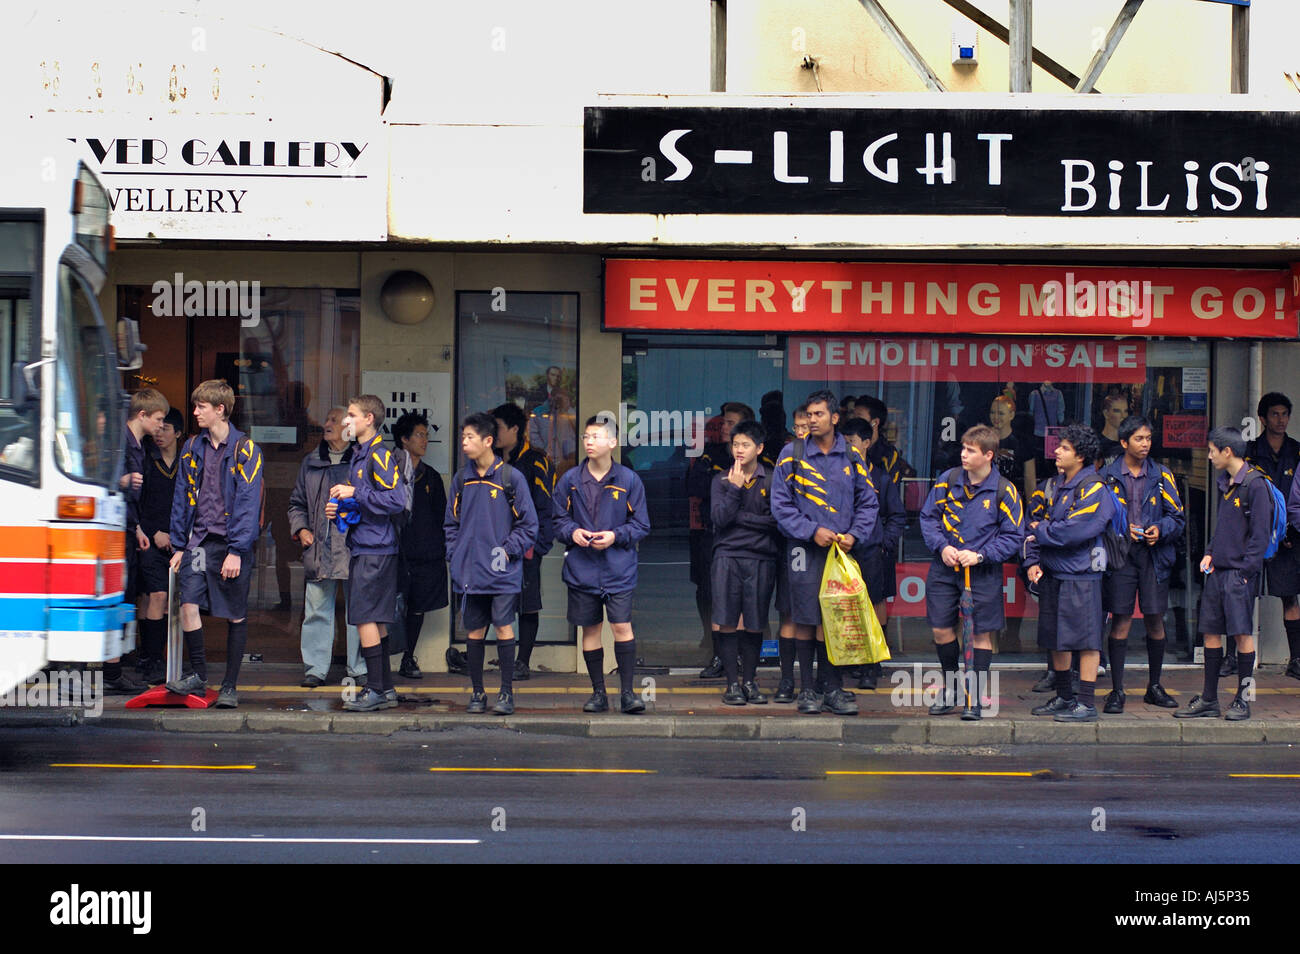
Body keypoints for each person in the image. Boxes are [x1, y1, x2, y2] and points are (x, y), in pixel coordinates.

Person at [770, 390, 878, 716]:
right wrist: (809, 530)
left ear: (834, 418)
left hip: (841, 551)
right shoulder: (792, 453)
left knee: (835, 618)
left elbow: (868, 503)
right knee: (804, 616)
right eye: (809, 414)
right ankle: (807, 690)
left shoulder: (853, 457)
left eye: (819, 414)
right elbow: (780, 504)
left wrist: (855, 535)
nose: (813, 420)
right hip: (804, 547)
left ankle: (831, 687)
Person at [165, 380, 263, 709]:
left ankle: (230, 687)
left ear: (220, 409)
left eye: (201, 407)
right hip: (199, 541)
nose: (195, 412)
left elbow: (249, 504)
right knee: (188, 604)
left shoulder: (245, 449)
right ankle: (199, 675)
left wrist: (237, 550)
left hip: (230, 544)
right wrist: (180, 544)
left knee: (235, 614)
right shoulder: (193, 446)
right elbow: (181, 497)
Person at [919, 425, 1024, 720]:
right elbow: (929, 518)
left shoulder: (1005, 490)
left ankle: (973, 696)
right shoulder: (947, 480)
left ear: (988, 455)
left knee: (980, 634)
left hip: (982, 572)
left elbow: (1014, 536)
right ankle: (952, 688)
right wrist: (941, 547)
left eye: (971, 450)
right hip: (945, 567)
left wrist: (980, 555)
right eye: (963, 449)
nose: (963, 455)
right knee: (941, 629)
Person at [552, 415, 650, 714]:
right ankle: (598, 693)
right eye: (586, 436)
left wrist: (615, 536)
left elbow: (642, 525)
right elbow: (556, 521)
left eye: (595, 436)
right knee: (590, 630)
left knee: (622, 626)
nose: (589, 441)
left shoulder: (629, 480)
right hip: (582, 568)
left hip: (618, 567)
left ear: (613, 442)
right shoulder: (570, 480)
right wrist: (573, 532)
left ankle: (629, 693)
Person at [1176, 427, 1273, 721]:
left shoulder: (1255, 485)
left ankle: (1243, 700)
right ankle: (1209, 699)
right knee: (1210, 633)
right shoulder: (1226, 483)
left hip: (1238, 574)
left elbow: (1260, 537)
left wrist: (1245, 573)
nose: (1208, 456)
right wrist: (1209, 551)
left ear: (1227, 451)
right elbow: (1224, 528)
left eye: (1211, 451)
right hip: (1218, 572)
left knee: (1243, 634)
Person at [444, 413, 538, 715]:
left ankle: (507, 694)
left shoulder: (511, 478)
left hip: (502, 571)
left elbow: (529, 525)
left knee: (503, 628)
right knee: (473, 632)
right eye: (463, 437)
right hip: (470, 571)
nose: (464, 442)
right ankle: (477, 693)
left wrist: (507, 551)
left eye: (470, 437)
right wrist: (455, 554)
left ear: (488, 441)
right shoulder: (462, 479)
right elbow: (451, 524)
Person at [1023, 425, 1115, 723]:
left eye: (1063, 447)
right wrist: (1033, 559)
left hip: (1082, 575)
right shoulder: (1055, 485)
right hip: (1053, 573)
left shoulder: (1094, 487)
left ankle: (1086, 703)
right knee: (1056, 638)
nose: (1057, 452)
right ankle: (1064, 696)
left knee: (1087, 640)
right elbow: (1031, 525)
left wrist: (1043, 532)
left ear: (1080, 455)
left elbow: (1075, 532)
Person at [325, 395, 407, 712]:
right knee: (377, 620)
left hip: (374, 548)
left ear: (369, 419)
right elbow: (370, 502)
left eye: (351, 415)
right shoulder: (361, 453)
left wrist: (354, 492)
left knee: (364, 618)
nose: (346, 421)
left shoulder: (379, 454)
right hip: (369, 544)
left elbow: (396, 500)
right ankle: (384, 689)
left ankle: (373, 690)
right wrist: (343, 507)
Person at [1099, 415, 1185, 712]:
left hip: (1154, 555)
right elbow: (1097, 519)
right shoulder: (1108, 476)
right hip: (1121, 555)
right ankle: (1117, 690)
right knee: (1120, 618)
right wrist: (1121, 532)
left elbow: (1177, 518)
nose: (1145, 444)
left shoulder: (1162, 475)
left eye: (1148, 438)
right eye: (1139, 439)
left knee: (1154, 618)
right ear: (1124, 442)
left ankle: (1155, 686)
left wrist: (1160, 530)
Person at [288, 406, 365, 688]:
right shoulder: (311, 462)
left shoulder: (362, 461)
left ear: (349, 427)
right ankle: (315, 668)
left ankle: (359, 668)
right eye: (327, 418)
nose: (326, 423)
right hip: (319, 548)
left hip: (354, 548)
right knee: (317, 610)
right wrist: (302, 529)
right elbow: (296, 504)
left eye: (334, 420)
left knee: (358, 612)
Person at [710, 420, 779, 705]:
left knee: (754, 622)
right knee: (726, 621)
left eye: (745, 445)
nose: (738, 450)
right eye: (735, 444)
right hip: (727, 556)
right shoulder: (721, 480)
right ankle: (732, 685)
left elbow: (777, 522)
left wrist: (741, 518)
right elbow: (719, 520)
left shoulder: (773, 479)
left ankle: (749, 681)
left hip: (761, 557)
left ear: (759, 448)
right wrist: (735, 490)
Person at [840, 417, 906, 690]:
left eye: (852, 442)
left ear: (867, 443)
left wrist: (884, 543)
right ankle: (848, 661)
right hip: (842, 552)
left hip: (872, 552)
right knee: (843, 609)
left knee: (874, 605)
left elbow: (897, 516)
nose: (848, 448)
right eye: (843, 443)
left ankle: (871, 663)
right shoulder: (837, 475)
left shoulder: (881, 477)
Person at [692, 401, 755, 678]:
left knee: (747, 602)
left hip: (751, 542)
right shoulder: (712, 453)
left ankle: (744, 661)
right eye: (725, 423)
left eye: (730, 423)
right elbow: (693, 484)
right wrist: (726, 484)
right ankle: (718, 654)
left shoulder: (761, 462)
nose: (724, 427)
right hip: (713, 534)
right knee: (714, 596)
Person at [492, 403, 554, 680]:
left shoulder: (536, 461)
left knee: (527, 602)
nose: (493, 433)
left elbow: (546, 508)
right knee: (492, 599)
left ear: (514, 429)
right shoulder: (488, 459)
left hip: (526, 544)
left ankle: (523, 661)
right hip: (493, 543)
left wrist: (537, 546)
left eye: (498, 428)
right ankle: (497, 653)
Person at [113, 389, 169, 693]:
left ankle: (117, 665)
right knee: (120, 595)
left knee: (127, 595)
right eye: (158, 419)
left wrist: (136, 529)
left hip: (127, 528)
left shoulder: (138, 446)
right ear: (143, 415)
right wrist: (121, 481)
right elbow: (96, 477)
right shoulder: (120, 442)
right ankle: (113, 667)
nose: (161, 425)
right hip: (115, 530)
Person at [391, 411, 450, 679]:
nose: (425, 440)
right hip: (393, 552)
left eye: (427, 435)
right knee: (388, 607)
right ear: (404, 439)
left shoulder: (432, 477)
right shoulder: (387, 470)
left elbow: (443, 518)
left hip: (425, 555)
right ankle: (377, 661)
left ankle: (407, 658)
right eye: (419, 435)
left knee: (416, 608)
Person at [1245, 393, 1300, 681]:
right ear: (1263, 419)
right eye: (1275, 415)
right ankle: (1234, 656)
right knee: (1241, 594)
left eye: (1285, 414)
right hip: (1254, 532)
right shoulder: (1251, 451)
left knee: (1290, 595)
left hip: (1288, 534)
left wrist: (1291, 530)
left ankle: (1297, 658)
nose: (1281, 420)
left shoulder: (1297, 451)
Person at [134, 407, 183, 686]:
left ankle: (151, 656)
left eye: (166, 428)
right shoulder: (145, 459)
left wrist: (177, 536)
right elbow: (138, 503)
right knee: (156, 596)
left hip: (176, 540)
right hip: (148, 538)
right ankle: (151, 659)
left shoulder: (187, 463)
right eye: (158, 427)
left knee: (164, 600)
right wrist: (153, 533)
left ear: (178, 432)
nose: (160, 433)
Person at [989, 394, 1037, 500]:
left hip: (1012, 499)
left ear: (1011, 415)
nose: (996, 417)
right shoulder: (982, 439)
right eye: (992, 412)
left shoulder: (1022, 442)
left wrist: (1031, 510)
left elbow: (1029, 479)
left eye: (1001, 413)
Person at [1098, 393, 1129, 464]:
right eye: (1117, 411)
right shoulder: (1098, 444)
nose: (1123, 416)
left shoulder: (1128, 443)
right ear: (1106, 414)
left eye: (1126, 411)